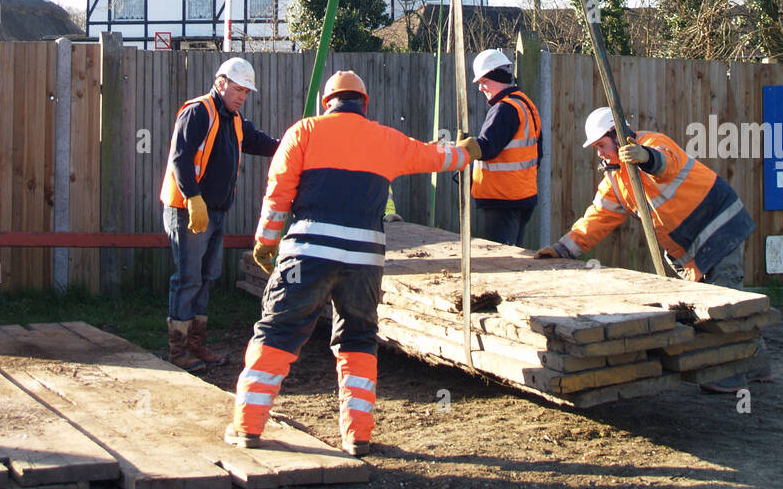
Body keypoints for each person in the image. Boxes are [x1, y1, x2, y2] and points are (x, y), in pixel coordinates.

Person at [225, 69, 474, 456]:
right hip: (364, 261)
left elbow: (278, 196)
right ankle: (358, 437)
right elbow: (433, 155)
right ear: (364, 103)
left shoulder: (302, 133)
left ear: (328, 103)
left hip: (306, 256)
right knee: (358, 340)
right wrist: (466, 153)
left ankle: (248, 427)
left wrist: (265, 244)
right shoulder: (387, 139)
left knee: (277, 332)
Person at [536, 106, 771, 392]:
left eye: (602, 144)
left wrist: (645, 158)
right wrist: (563, 249)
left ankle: (729, 376)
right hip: (691, 248)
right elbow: (598, 217)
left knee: (724, 304)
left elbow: (666, 162)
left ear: (618, 135)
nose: (599, 153)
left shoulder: (652, 143)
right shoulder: (617, 179)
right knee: (721, 304)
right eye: (596, 147)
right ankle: (757, 366)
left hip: (721, 228)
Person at [160, 56, 279, 373]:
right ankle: (179, 349)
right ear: (220, 83)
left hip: (215, 210)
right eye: (238, 89)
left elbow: (260, 142)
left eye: (246, 92)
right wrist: (192, 198)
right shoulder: (198, 112)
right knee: (188, 278)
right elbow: (180, 157)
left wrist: (292, 146)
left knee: (207, 277)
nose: (241, 96)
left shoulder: (235, 120)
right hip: (189, 210)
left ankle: (196, 344)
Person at [458, 48, 542, 248]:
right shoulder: (525, 105)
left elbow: (489, 148)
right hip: (522, 197)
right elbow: (538, 154)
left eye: (483, 82)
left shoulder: (504, 109)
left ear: (495, 77)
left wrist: (465, 148)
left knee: (500, 259)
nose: (481, 89)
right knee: (514, 257)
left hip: (502, 199)